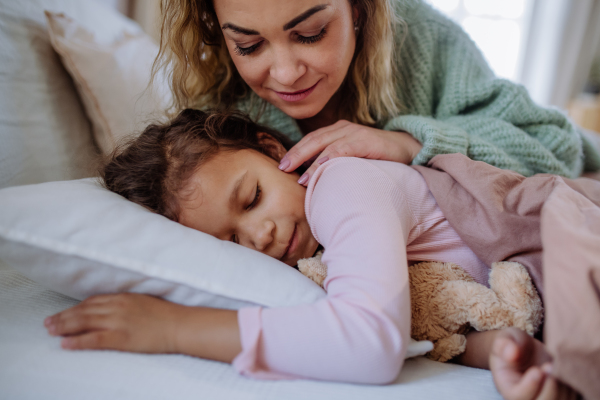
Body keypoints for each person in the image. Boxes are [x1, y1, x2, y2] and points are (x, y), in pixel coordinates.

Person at [44, 109, 582, 399]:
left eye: (252, 198)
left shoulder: (339, 183)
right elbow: (447, 312)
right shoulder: (323, 263)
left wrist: (173, 329)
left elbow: (372, 342)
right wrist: (510, 354)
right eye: (229, 242)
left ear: (275, 152)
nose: (258, 236)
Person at [152, 0, 600, 184]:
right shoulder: (218, 106)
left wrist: (406, 144)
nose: (286, 74)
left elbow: (555, 147)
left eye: (310, 33)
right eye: (248, 45)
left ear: (359, 10)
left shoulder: (422, 37)